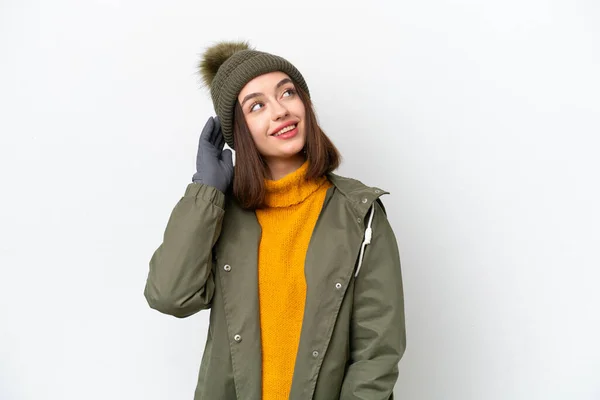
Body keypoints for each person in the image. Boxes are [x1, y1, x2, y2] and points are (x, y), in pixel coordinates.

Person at [144, 41, 406, 400]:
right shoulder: (221, 214)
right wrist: (205, 192)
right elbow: (170, 296)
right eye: (257, 105)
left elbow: (377, 351)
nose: (280, 110)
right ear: (238, 131)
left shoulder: (358, 212)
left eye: (287, 92)